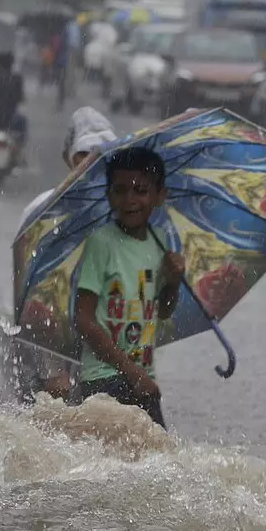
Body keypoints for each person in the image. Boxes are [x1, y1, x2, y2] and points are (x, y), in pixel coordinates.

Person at [73, 146, 185, 429]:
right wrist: (131, 372)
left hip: (141, 377)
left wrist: (173, 282)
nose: (130, 199)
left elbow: (163, 311)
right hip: (103, 377)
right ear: (109, 195)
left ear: (160, 195)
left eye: (141, 190)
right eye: (120, 190)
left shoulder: (160, 241)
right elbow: (84, 319)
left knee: (159, 460)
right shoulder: (102, 243)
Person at [15, 106, 119, 401]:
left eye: (103, 154)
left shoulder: (129, 213)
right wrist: (51, 370)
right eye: (83, 155)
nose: (92, 164)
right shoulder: (41, 214)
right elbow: (31, 298)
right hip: (53, 337)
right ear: (68, 159)